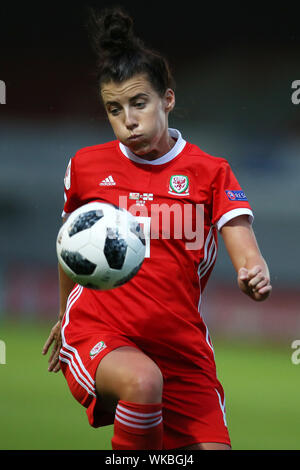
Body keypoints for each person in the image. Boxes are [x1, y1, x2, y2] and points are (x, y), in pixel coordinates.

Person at [42, 7, 272, 451]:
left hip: (181, 349)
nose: (128, 119)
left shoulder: (210, 172)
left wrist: (254, 274)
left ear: (166, 99)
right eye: (114, 109)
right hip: (102, 332)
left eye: (139, 103)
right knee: (143, 382)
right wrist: (61, 313)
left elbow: (246, 250)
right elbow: (71, 248)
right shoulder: (87, 167)